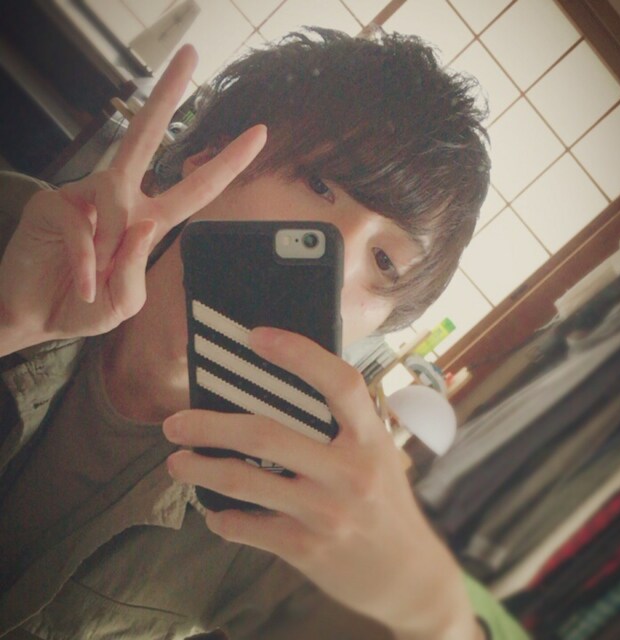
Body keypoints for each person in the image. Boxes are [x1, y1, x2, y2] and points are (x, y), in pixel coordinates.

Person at [0, 29, 528, 639]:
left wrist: (430, 611)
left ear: (383, 322)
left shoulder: (287, 502)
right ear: (210, 163)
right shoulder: (24, 232)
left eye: (384, 262)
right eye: (320, 185)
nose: (337, 263)